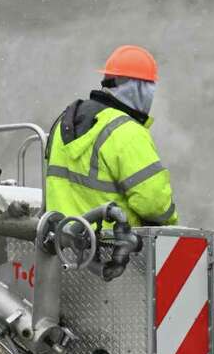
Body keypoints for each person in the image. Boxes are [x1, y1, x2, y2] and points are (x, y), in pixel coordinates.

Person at [44, 45, 178, 227]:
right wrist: (171, 221)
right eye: (149, 87)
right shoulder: (126, 131)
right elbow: (154, 203)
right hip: (114, 249)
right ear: (135, 87)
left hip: (64, 246)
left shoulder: (64, 122)